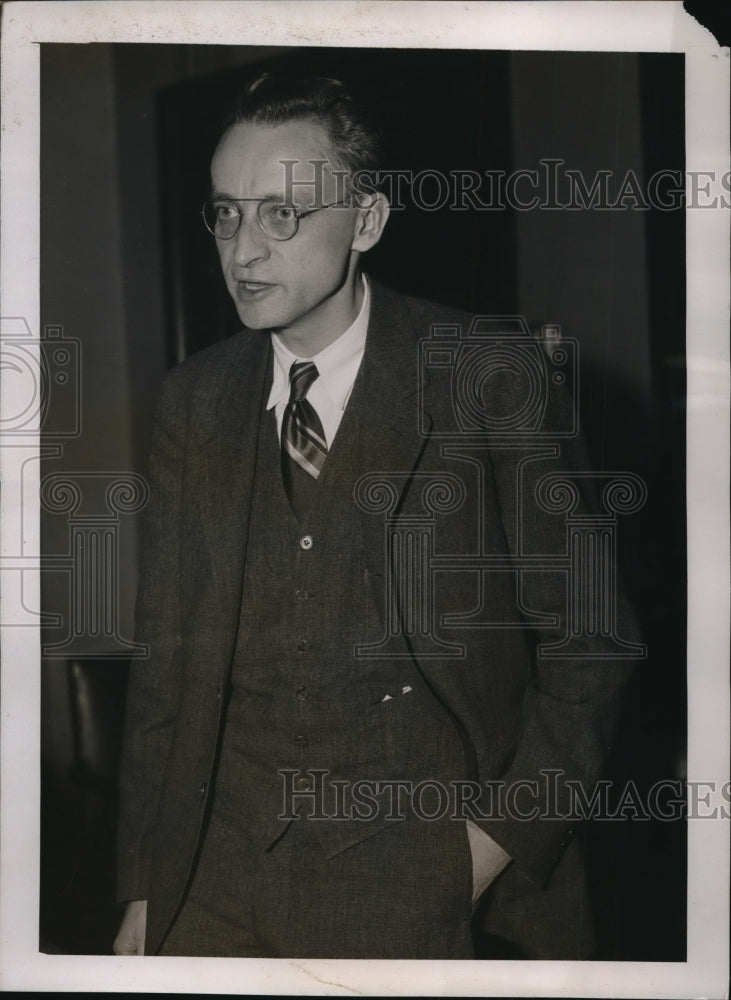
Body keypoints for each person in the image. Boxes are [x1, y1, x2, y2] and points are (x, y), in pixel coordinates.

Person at [113, 72, 637, 960]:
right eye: (226, 214)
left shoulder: (486, 374)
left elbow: (591, 644)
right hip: (216, 884)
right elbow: (166, 668)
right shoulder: (193, 401)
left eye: (282, 215)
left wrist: (491, 845)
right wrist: (144, 883)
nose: (243, 249)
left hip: (428, 879)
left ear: (365, 222)